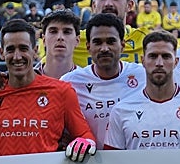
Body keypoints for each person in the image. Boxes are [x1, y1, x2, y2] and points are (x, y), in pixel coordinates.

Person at [0, 18, 96, 158]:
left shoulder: (62, 91)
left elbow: (85, 135)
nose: (17, 57)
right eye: (10, 50)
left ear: (35, 50)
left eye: (23, 48)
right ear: (1, 53)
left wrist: (82, 143)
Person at [105, 30, 180, 150]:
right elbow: (113, 163)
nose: (159, 63)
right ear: (143, 61)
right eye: (153, 56)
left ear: (176, 62)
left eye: (166, 56)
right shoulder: (121, 110)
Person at [61, 13, 145, 146]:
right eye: (97, 42)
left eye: (111, 41)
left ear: (122, 45)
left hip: (133, 162)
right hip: (89, 163)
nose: (104, 48)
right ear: (88, 47)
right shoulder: (69, 82)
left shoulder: (142, 76)